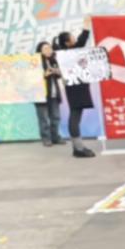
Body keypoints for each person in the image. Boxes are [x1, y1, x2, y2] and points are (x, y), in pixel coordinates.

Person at [54, 20, 96, 158]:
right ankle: (78, 149)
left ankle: (77, 147)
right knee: (75, 116)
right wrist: (86, 26)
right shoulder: (69, 52)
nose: (74, 39)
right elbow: (82, 40)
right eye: (72, 37)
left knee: (76, 115)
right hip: (76, 88)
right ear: (67, 43)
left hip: (76, 87)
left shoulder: (65, 53)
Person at [35, 41, 64, 147]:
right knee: (43, 119)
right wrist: (44, 75)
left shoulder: (54, 60)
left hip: (54, 93)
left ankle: (55, 137)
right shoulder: (35, 63)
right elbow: (31, 78)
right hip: (41, 95)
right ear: (40, 51)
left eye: (50, 48)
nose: (49, 50)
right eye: (45, 48)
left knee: (56, 117)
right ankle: (46, 138)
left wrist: (58, 72)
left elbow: (60, 75)